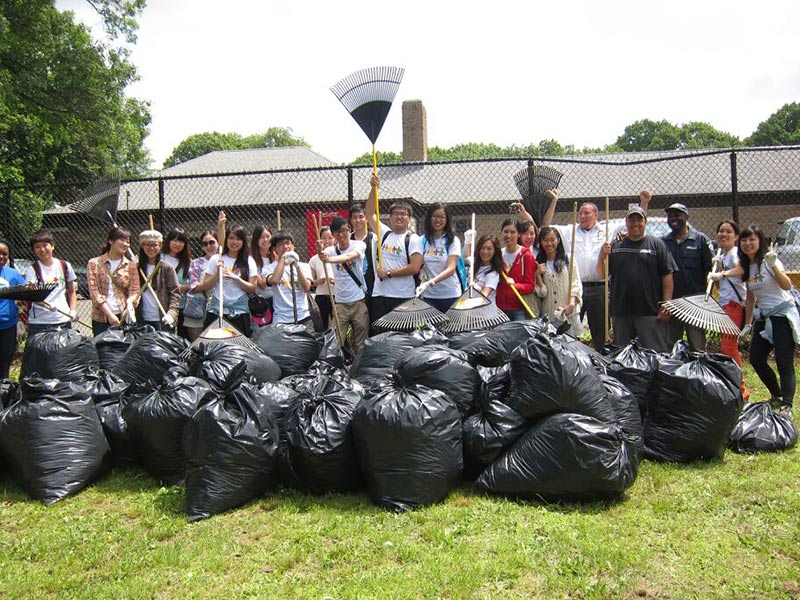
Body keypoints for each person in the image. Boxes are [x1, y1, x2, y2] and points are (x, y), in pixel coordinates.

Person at [540, 189, 650, 350]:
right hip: (575, 288)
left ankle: (601, 360)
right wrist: (553, 202)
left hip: (599, 288)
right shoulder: (571, 230)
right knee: (572, 328)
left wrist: (644, 203)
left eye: (586, 213)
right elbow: (546, 226)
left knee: (600, 331)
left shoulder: (607, 228)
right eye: (580, 213)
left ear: (596, 215)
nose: (582, 216)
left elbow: (634, 224)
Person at [739, 225, 799, 417]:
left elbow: (787, 285)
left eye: (752, 240)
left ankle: (787, 405)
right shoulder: (747, 267)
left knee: (784, 362)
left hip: (782, 316)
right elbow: (750, 298)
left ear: (760, 241)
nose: (748, 244)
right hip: (764, 317)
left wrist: (774, 265)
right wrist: (748, 324)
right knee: (756, 358)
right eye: (745, 240)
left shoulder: (769, 261)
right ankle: (777, 395)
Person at [597, 206, 675, 352]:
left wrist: (667, 303)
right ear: (626, 222)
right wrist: (602, 255)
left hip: (650, 311)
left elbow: (667, 275)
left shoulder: (656, 245)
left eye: (639, 220)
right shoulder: (616, 246)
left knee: (655, 355)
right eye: (631, 220)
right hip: (621, 311)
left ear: (646, 222)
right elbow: (602, 274)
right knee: (623, 356)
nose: (635, 224)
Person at [364, 173, 423, 326]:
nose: (399, 217)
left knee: (402, 337)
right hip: (380, 295)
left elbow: (415, 267)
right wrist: (373, 189)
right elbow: (369, 213)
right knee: (380, 335)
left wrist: (389, 273)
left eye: (403, 214)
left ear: (409, 218)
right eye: (395, 214)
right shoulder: (384, 233)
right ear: (389, 217)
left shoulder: (413, 239)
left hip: (403, 296)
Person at [658, 202, 714, 351]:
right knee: (670, 347)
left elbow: (710, 271)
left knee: (697, 347)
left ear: (687, 217)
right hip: (672, 304)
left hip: (694, 304)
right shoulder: (663, 242)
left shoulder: (700, 240)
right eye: (670, 216)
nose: (673, 218)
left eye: (677, 215)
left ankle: (698, 374)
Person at [707, 220, 750, 400]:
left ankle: (741, 389)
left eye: (728, 232)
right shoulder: (723, 255)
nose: (723, 235)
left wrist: (723, 273)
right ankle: (734, 383)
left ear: (736, 236)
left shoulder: (734, 253)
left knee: (729, 347)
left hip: (734, 305)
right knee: (726, 347)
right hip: (725, 304)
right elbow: (720, 284)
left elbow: (742, 269)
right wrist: (717, 268)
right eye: (721, 231)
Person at [194, 219, 257, 336]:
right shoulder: (216, 259)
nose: (234, 242)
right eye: (231, 238)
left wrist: (236, 278)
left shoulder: (249, 261)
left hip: (239, 311)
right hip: (217, 310)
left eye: (238, 239)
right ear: (226, 239)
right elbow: (206, 285)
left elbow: (252, 288)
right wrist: (218, 274)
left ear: (243, 242)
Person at [320, 217, 369, 355]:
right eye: (336, 233)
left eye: (344, 231)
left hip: (358, 301)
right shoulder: (330, 250)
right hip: (340, 304)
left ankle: (359, 368)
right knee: (335, 340)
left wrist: (329, 260)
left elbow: (349, 257)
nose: (341, 235)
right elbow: (322, 255)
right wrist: (321, 251)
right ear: (333, 235)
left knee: (360, 341)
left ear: (350, 230)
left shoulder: (359, 245)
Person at [87, 226, 140, 336]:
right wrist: (110, 314)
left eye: (128, 241)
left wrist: (130, 304)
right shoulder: (94, 263)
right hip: (101, 318)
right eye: (122, 240)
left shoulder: (131, 265)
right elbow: (94, 292)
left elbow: (135, 290)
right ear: (111, 241)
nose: (125, 244)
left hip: (124, 316)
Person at [23, 229, 78, 337]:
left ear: (52, 246)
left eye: (45, 245)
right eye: (37, 247)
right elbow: (32, 296)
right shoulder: (32, 270)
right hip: (40, 323)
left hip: (63, 320)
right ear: (33, 250)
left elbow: (71, 291)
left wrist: (73, 311)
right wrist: (46, 305)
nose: (42, 249)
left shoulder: (65, 265)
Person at [534, 226, 582, 336]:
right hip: (549, 314)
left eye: (552, 239)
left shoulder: (568, 259)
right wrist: (537, 275)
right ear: (541, 242)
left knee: (571, 345)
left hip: (568, 312)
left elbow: (575, 283)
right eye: (545, 240)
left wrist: (571, 303)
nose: (549, 243)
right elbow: (543, 293)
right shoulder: (539, 263)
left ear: (558, 240)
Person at [416, 202, 462, 314]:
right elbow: (420, 264)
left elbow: (451, 269)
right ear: (429, 218)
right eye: (435, 216)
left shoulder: (452, 241)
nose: (438, 220)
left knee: (451, 329)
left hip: (450, 294)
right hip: (429, 295)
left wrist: (430, 282)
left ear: (447, 219)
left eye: (442, 217)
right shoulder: (423, 240)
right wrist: (423, 279)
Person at [134, 229, 180, 331]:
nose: (151, 248)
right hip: (142, 320)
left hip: (163, 319)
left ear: (160, 246)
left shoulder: (167, 268)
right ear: (142, 246)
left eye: (154, 245)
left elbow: (175, 294)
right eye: (148, 245)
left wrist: (171, 314)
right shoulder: (136, 268)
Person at [266, 230, 313, 328]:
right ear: (275, 249)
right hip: (281, 319)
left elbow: (306, 288)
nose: (285, 247)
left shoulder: (304, 266)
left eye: (288, 243)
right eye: (280, 244)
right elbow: (274, 280)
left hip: (303, 316)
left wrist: (296, 265)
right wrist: (283, 259)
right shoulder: (269, 268)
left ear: (293, 246)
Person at [496, 218, 536, 321]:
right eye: (506, 231)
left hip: (519, 308)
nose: (508, 235)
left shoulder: (526, 255)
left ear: (519, 234)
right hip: (500, 307)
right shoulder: (498, 255)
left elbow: (530, 286)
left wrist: (515, 286)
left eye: (512, 232)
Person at [184, 230, 218, 341]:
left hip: (217, 308)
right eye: (205, 244)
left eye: (212, 242)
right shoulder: (196, 263)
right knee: (197, 345)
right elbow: (193, 286)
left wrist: (203, 284)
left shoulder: (224, 261)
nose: (208, 246)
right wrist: (212, 281)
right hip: (196, 307)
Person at [0, 238, 25, 379]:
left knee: (5, 364)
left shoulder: (12, 274)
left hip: (8, 327)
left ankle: (3, 395)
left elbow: (28, 291)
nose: (2, 257)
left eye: (5, 254)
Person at [161, 228, 191, 337]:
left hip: (180, 305)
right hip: (161, 304)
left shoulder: (187, 262)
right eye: (174, 240)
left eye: (181, 241)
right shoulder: (160, 258)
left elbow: (190, 283)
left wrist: (185, 287)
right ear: (168, 241)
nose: (177, 244)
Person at [308, 226, 335, 329]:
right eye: (324, 238)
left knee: (336, 325)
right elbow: (310, 283)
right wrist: (319, 281)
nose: (327, 241)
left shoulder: (338, 256)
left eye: (330, 238)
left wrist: (335, 281)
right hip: (321, 295)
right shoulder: (314, 259)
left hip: (336, 295)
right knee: (321, 326)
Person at [250, 225, 275, 329]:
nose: (265, 240)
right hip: (261, 303)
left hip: (277, 300)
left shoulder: (275, 257)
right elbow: (262, 284)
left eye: (268, 236)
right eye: (261, 237)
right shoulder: (251, 259)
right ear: (256, 240)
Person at [472, 234, 502, 302]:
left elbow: (484, 295)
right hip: (471, 309)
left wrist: (475, 289)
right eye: (482, 248)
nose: (485, 252)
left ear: (495, 251)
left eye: (489, 249)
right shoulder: (474, 266)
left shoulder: (493, 273)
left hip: (485, 311)